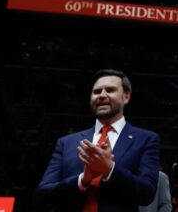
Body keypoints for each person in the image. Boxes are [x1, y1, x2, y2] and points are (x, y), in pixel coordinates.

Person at [36, 70, 160, 212]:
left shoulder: (146, 139)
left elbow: (147, 194)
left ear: (126, 97)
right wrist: (83, 180)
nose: (102, 95)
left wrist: (109, 169)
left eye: (110, 90)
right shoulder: (66, 143)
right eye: (96, 91)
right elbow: (43, 194)